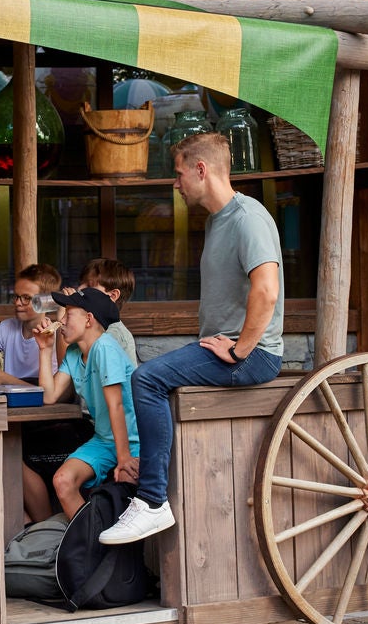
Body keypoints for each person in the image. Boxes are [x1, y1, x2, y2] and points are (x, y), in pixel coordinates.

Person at [117, 133, 283, 545]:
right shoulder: (216, 221)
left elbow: (267, 290)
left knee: (146, 380)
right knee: (154, 379)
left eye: (178, 174)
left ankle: (152, 502)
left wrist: (241, 349)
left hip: (254, 354)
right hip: (229, 349)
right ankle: (153, 497)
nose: (176, 184)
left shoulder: (248, 218)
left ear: (201, 170)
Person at [23, 287, 141, 523]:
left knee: (128, 484)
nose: (61, 321)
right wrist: (45, 350)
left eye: (68, 315)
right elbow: (49, 396)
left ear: (88, 319)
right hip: (104, 439)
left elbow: (116, 405)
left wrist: (124, 457)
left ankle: (109, 550)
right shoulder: (75, 353)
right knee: (63, 481)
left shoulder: (105, 347)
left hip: (134, 439)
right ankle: (91, 543)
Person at [79, 258, 140, 367]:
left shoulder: (113, 334)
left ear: (112, 296)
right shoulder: (84, 325)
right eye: (81, 284)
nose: (79, 289)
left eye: (89, 286)